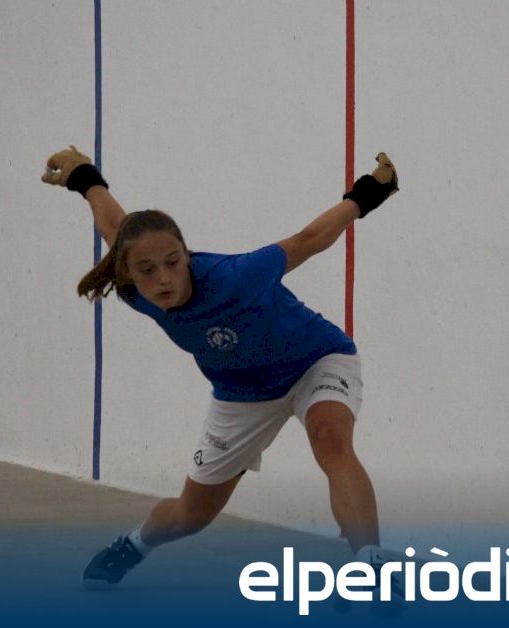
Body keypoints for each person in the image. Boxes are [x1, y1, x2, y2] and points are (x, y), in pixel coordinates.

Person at [40, 146, 400, 597]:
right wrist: (85, 178)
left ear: (186, 254)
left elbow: (310, 238)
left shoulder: (236, 276)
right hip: (239, 393)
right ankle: (133, 545)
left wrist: (369, 193)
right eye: (147, 270)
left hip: (316, 360)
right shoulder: (136, 293)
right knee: (190, 516)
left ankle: (371, 563)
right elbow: (115, 226)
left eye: (173, 262)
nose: (164, 278)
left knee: (331, 440)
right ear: (128, 271)